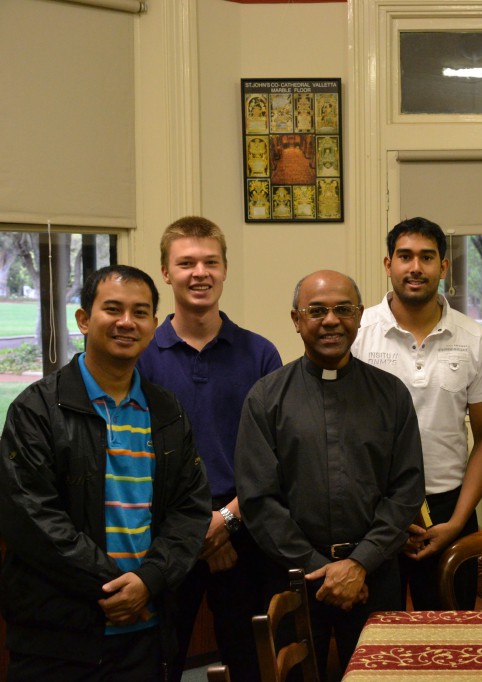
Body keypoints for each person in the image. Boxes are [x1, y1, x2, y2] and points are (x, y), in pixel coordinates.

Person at [0, 265, 210, 680]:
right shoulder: (37, 410)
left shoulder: (166, 412)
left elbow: (190, 510)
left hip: (148, 634)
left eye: (140, 312)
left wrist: (148, 582)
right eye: (113, 309)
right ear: (83, 319)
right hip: (59, 637)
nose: (126, 322)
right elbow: (32, 519)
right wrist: (116, 586)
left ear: (153, 324)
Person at [235, 270, 424, 675]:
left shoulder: (391, 395)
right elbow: (258, 499)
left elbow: (406, 489)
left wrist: (359, 563)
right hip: (293, 581)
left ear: (359, 316)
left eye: (343, 309)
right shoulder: (266, 398)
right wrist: (320, 570)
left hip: (375, 576)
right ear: (296, 319)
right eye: (317, 310)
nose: (331, 320)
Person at [137, 216, 282, 681]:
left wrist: (227, 520)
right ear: (165, 272)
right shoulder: (140, 356)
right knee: (160, 660)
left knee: (251, 660)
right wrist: (195, 528)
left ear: (224, 270)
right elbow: (130, 453)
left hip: (246, 531)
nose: (199, 272)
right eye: (186, 263)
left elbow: (275, 454)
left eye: (210, 262)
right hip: (162, 535)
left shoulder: (261, 354)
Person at [352, 217, 482, 610]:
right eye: (405, 256)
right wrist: (385, 521)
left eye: (426, 257)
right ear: (388, 264)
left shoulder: (472, 338)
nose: (415, 267)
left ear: (444, 267)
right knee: (377, 639)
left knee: (451, 643)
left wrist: (456, 521)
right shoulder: (358, 332)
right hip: (372, 511)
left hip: (449, 511)